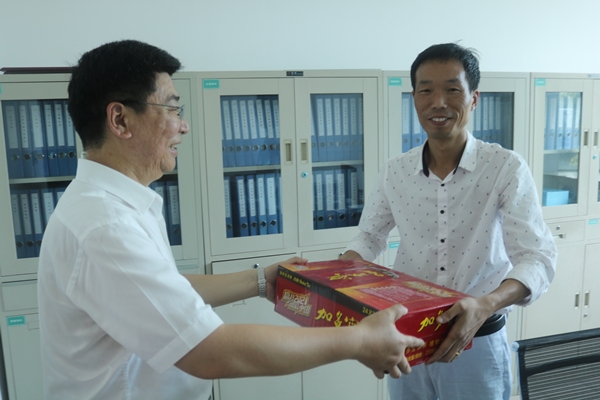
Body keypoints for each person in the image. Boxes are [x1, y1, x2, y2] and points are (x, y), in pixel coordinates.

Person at [36, 39, 424, 400]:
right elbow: (211, 352)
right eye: (172, 109)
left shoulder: (112, 206)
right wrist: (358, 341)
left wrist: (260, 281)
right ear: (120, 120)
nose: (183, 125)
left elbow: (162, 290)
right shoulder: (106, 226)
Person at [340, 43, 557, 400]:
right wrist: (336, 272)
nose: (438, 102)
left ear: (474, 98)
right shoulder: (396, 171)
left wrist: (486, 304)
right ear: (414, 98)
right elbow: (369, 236)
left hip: (478, 341)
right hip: (406, 337)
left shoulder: (504, 167)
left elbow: (537, 256)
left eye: (452, 90)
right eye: (426, 90)